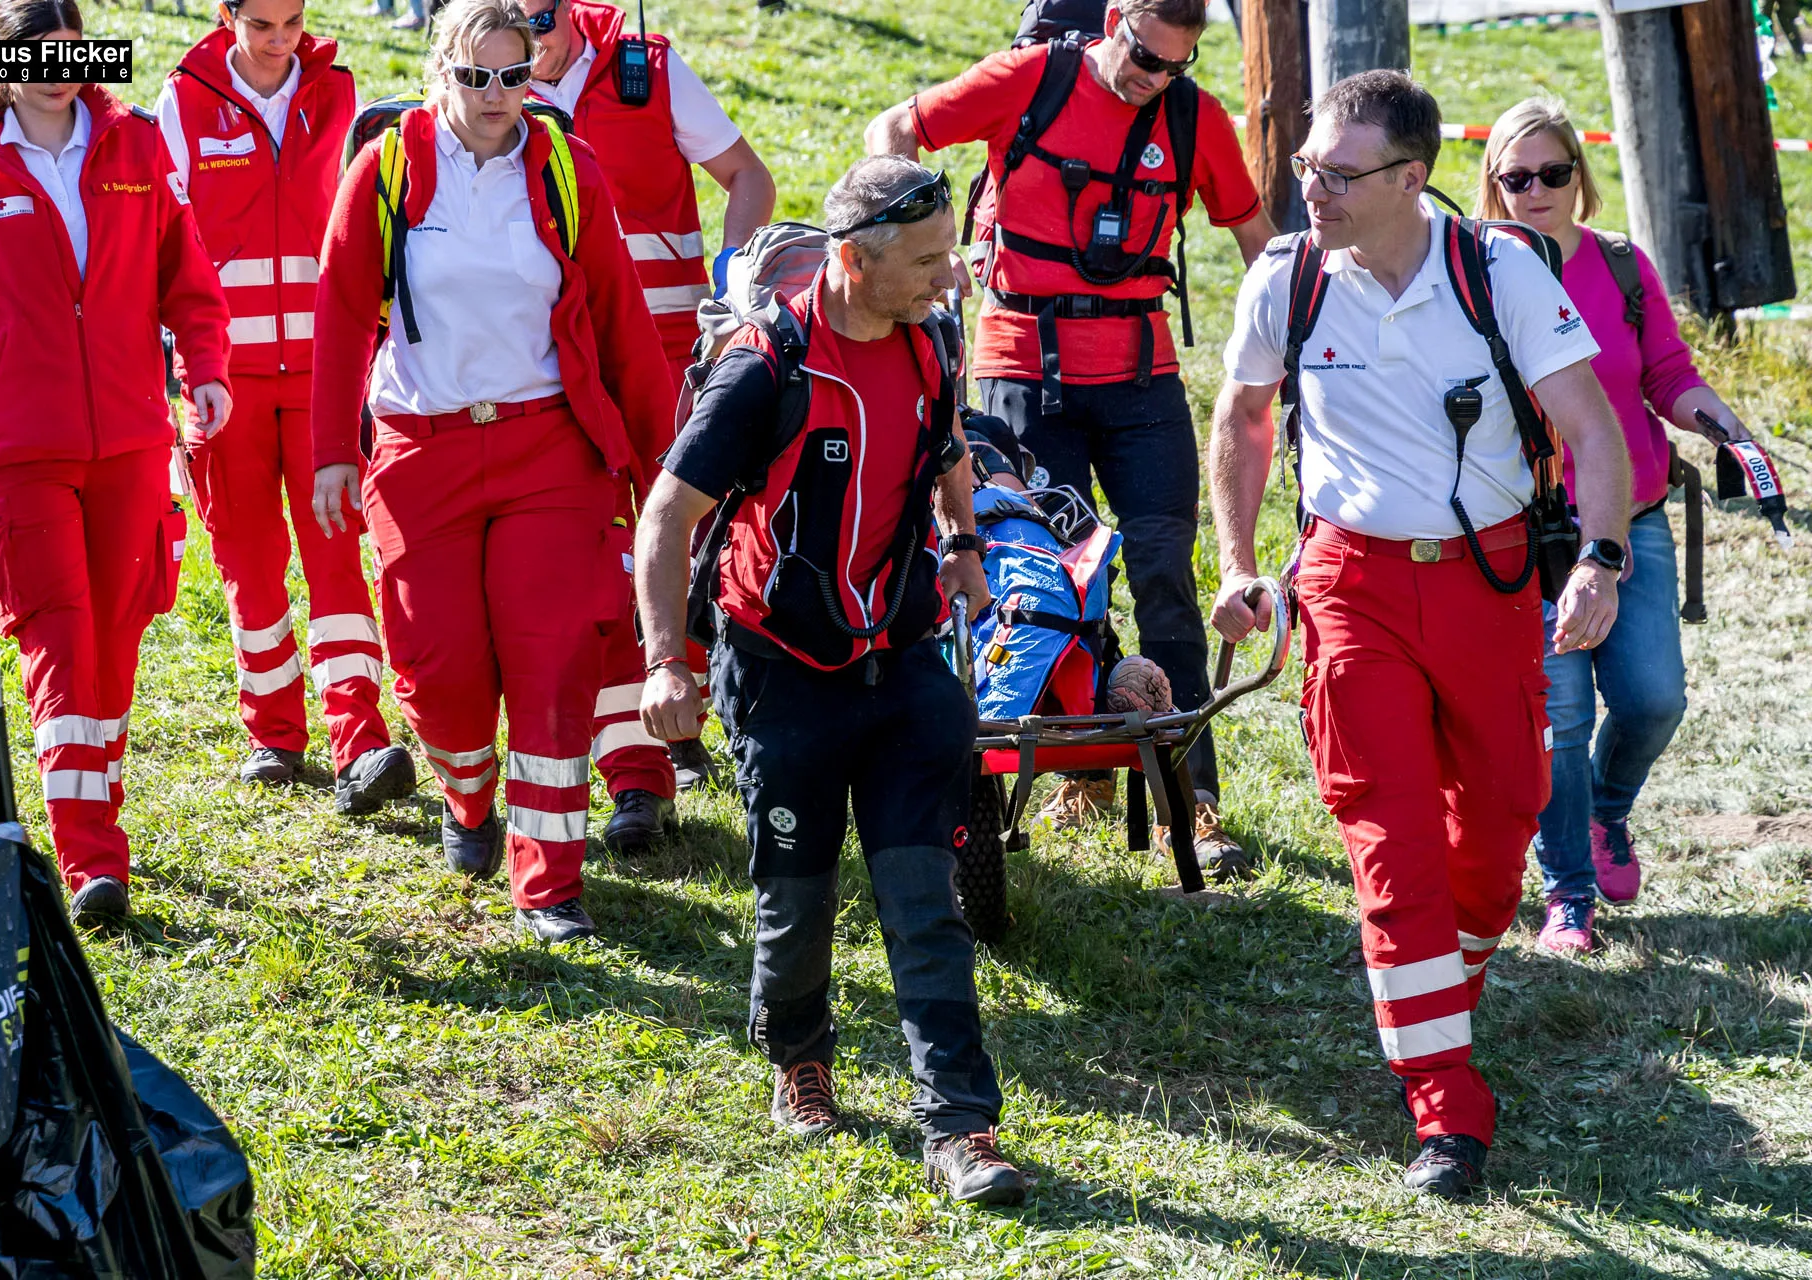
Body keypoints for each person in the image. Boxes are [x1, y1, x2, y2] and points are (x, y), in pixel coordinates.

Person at [1209, 71, 1631, 1196]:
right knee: (1391, 846)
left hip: (1489, 582)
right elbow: (1242, 419)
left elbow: (1592, 428)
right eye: (1306, 165)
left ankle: (1435, 988)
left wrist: (1600, 557)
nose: (1312, 188)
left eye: (1339, 174)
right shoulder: (1286, 275)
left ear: (1410, 178)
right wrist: (1242, 565)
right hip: (1349, 585)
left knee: (1498, 832)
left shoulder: (1500, 270)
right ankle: (1446, 1105)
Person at [634, 156, 1023, 1206]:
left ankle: (961, 1126)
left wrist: (962, 541)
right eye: (928, 260)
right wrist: (666, 662)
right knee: (796, 901)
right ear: (853, 261)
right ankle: (799, 1054)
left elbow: (947, 443)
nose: (949, 277)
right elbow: (666, 517)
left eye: (950, 254)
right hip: (782, 671)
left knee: (924, 903)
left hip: (902, 659)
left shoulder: (935, 340)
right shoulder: (768, 365)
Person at [865, 0, 1277, 876]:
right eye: (1142, 56)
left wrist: (1298, 340)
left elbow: (1256, 239)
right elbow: (893, 128)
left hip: (1141, 377)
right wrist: (921, 247)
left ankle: (1191, 805)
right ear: (1114, 19)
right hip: (1025, 368)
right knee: (1057, 578)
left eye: (1174, 66)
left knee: (1165, 578)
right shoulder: (1032, 78)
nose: (1152, 79)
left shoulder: (1193, 117)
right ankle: (1082, 768)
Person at [308, 0, 675, 941]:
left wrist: (664, 469)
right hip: (419, 450)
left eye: (514, 76)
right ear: (442, 72)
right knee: (438, 669)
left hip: (548, 447)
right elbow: (341, 314)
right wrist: (331, 454)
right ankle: (468, 797)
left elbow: (625, 324)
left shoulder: (564, 167)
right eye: (475, 76)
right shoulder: (387, 168)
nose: (495, 95)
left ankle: (549, 882)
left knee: (553, 661)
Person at [0, 0, 232, 922]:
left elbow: (186, 275)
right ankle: (91, 860)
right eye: (36, 56)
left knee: (116, 636)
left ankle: (95, 800)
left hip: (131, 439)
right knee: (61, 636)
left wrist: (205, 369)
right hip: (18, 451)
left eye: (73, 53)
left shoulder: (136, 146)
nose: (57, 71)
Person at [1477, 97, 1754, 954]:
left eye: (1553, 173)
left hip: (1632, 521)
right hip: (1530, 536)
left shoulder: (1623, 266)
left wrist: (1722, 423)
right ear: (1493, 186)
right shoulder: (1475, 273)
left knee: (1653, 698)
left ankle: (1606, 810)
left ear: (1579, 176)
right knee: (1559, 716)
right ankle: (1568, 891)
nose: (1536, 191)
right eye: (1516, 179)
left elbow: (1667, 372)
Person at [518, 0, 778, 821]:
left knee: (687, 530)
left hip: (667, 349)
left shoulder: (649, 67)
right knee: (592, 545)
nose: (531, 39)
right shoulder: (494, 86)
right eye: (513, 22)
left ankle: (690, 713)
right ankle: (632, 750)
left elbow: (750, 176)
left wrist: (731, 284)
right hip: (557, 357)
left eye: (541, 19)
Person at [157, 0, 418, 815]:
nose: (280, 42)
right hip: (222, 382)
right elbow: (166, 241)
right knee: (249, 562)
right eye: (262, 25)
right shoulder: (183, 100)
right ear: (226, 15)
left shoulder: (341, 91)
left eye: (294, 22)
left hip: (323, 378)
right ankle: (273, 734)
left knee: (338, 555)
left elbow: (372, 220)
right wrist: (182, 367)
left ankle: (359, 740)